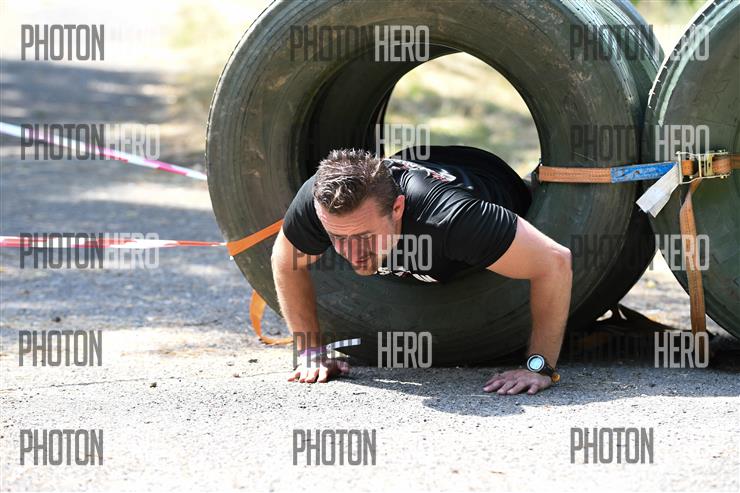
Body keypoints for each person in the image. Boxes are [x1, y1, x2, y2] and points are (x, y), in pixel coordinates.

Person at [271, 146, 572, 395]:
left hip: (489, 180)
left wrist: (539, 367)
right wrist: (311, 351)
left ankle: (530, 182)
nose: (352, 254)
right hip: (416, 161)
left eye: (364, 237)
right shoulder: (320, 204)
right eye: (338, 238)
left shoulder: (449, 219)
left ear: (397, 208)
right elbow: (285, 260)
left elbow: (555, 261)